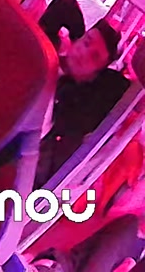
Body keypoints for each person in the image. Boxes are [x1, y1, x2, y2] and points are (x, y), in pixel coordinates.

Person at [37, 17, 131, 184]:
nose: (85, 54)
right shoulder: (43, 58)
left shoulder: (71, 115)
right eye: (87, 42)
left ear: (95, 74)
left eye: (94, 57)